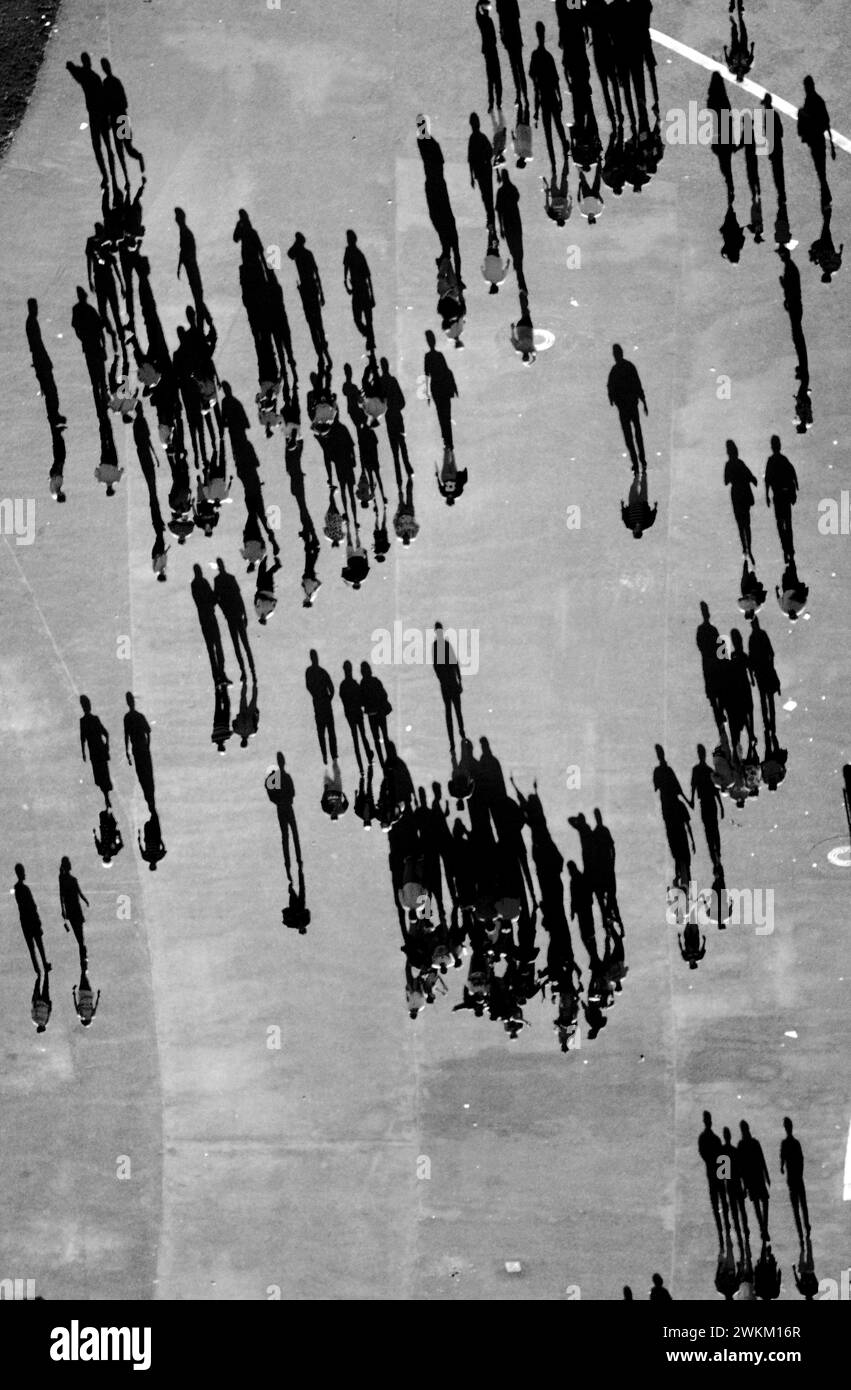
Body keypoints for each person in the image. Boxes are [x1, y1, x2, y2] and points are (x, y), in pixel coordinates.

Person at [66, 52, 114, 188]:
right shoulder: (95, 77)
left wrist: (70, 67)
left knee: (97, 147)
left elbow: (76, 73)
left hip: (94, 116)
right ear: (90, 63)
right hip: (102, 115)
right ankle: (110, 174)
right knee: (107, 146)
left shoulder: (85, 76)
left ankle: (105, 176)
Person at [528, 22, 569, 174]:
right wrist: (560, 99)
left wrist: (536, 111)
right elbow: (556, 80)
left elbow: (533, 79)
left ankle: (553, 162)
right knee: (558, 126)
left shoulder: (536, 56)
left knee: (548, 132)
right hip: (551, 95)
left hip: (544, 98)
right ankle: (565, 149)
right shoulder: (548, 56)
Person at [797, 76, 835, 209]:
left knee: (821, 172)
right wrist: (832, 146)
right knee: (821, 171)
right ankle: (826, 197)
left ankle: (826, 199)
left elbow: (824, 122)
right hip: (818, 141)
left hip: (816, 142)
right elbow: (827, 122)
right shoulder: (816, 100)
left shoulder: (813, 101)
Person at [607, 344, 647, 470]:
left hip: (624, 407)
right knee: (637, 432)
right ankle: (641, 460)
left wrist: (612, 399)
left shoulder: (614, 370)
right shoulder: (629, 367)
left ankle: (636, 462)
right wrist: (643, 401)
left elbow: (610, 387)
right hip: (631, 404)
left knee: (629, 435)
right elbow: (637, 383)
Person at [764, 435, 798, 565]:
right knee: (788, 524)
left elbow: (767, 479)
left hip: (778, 496)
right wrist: (794, 492)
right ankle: (790, 549)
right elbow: (792, 475)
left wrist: (766, 495)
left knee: (780, 524)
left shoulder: (771, 461)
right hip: (784, 495)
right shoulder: (784, 460)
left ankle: (786, 548)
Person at [12, 864, 51, 976]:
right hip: (31, 919)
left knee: (32, 947)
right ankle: (43, 965)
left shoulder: (18, 889)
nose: (24, 874)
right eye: (23, 871)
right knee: (39, 944)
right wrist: (37, 919)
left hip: (25, 921)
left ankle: (37, 968)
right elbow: (32, 905)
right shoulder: (24, 889)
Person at [431, 623, 465, 749]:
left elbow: (437, 666)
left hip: (446, 683)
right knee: (455, 711)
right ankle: (460, 734)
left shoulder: (437, 646)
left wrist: (442, 678)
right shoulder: (444, 645)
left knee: (450, 712)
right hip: (450, 681)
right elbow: (454, 663)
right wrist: (459, 679)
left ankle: (454, 739)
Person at [723, 440, 758, 563]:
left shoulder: (728, 465)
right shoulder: (740, 463)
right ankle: (749, 547)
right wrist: (752, 480)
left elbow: (726, 481)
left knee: (740, 523)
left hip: (736, 494)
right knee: (747, 524)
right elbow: (751, 476)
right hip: (744, 493)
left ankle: (745, 549)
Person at [423, 330, 458, 450]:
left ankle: (446, 440)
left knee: (441, 415)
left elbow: (427, 375)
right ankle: (449, 441)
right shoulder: (439, 355)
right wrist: (453, 386)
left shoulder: (428, 357)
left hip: (436, 389)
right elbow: (447, 371)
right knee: (446, 415)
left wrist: (427, 394)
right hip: (443, 388)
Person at [738, 1119, 771, 1239]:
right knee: (762, 1202)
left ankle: (763, 1228)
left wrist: (744, 1185)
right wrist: (766, 1176)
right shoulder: (753, 1143)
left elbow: (741, 1167)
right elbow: (761, 1160)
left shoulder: (742, 1145)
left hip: (752, 1178)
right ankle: (764, 1228)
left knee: (758, 1203)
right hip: (756, 1177)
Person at [342, 230, 375, 349]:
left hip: (361, 290)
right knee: (361, 319)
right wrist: (346, 284)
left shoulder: (356, 253)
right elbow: (346, 268)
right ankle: (369, 336)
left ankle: (369, 339)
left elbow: (367, 276)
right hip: (360, 290)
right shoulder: (352, 252)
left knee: (363, 319)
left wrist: (372, 296)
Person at [779, 1117, 810, 1242]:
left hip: (791, 1179)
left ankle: (801, 1232)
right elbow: (801, 1160)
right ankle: (806, 1227)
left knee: (796, 1207)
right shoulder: (796, 1143)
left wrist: (782, 1167)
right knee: (802, 1204)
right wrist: (800, 1173)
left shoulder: (785, 1144)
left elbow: (783, 1159)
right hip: (797, 1178)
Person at [305, 649, 338, 765]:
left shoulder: (309, 671)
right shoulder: (322, 672)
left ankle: (325, 754)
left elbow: (308, 686)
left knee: (321, 732)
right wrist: (329, 697)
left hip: (318, 704)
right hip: (325, 703)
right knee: (330, 730)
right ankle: (333, 755)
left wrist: (315, 695)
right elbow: (332, 687)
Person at [79, 695, 113, 808]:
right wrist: (106, 745)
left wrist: (84, 752)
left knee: (100, 774)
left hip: (95, 751)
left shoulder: (84, 721)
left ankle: (106, 797)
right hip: (98, 751)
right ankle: (106, 796)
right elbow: (105, 733)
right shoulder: (92, 719)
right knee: (102, 774)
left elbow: (83, 739)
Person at [59, 856, 90, 969]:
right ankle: (83, 953)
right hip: (76, 909)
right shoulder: (73, 880)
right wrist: (86, 900)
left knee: (78, 935)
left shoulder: (62, 879)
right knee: (80, 934)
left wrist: (63, 910)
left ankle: (83, 953)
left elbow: (61, 896)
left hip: (70, 910)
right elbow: (79, 893)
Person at [359, 661, 391, 767]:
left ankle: (381, 762)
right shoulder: (376, 681)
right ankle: (389, 758)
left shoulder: (362, 684)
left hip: (372, 715)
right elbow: (384, 694)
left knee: (376, 739)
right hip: (381, 713)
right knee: (385, 736)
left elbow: (361, 701)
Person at [468, 113, 496, 232]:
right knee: (488, 194)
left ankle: (490, 219)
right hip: (486, 169)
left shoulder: (472, 138)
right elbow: (490, 152)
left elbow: (470, 159)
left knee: (485, 195)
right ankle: (491, 219)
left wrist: (471, 177)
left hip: (479, 171)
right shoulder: (482, 137)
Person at [475, 0, 503, 113]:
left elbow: (477, 14)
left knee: (491, 80)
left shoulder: (482, 20)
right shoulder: (487, 20)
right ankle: (497, 104)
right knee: (496, 80)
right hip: (492, 51)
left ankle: (493, 104)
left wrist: (478, 5)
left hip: (488, 52)